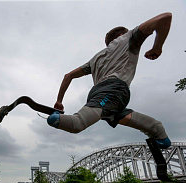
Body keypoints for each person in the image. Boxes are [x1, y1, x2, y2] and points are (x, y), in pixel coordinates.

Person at [47, 12, 172, 149]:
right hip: (113, 90)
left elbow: (68, 76)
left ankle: (158, 131)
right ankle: (56, 118)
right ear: (121, 35)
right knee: (76, 123)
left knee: (119, 115)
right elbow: (165, 18)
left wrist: (59, 101)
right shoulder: (128, 37)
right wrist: (157, 47)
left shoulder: (96, 58)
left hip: (99, 94)